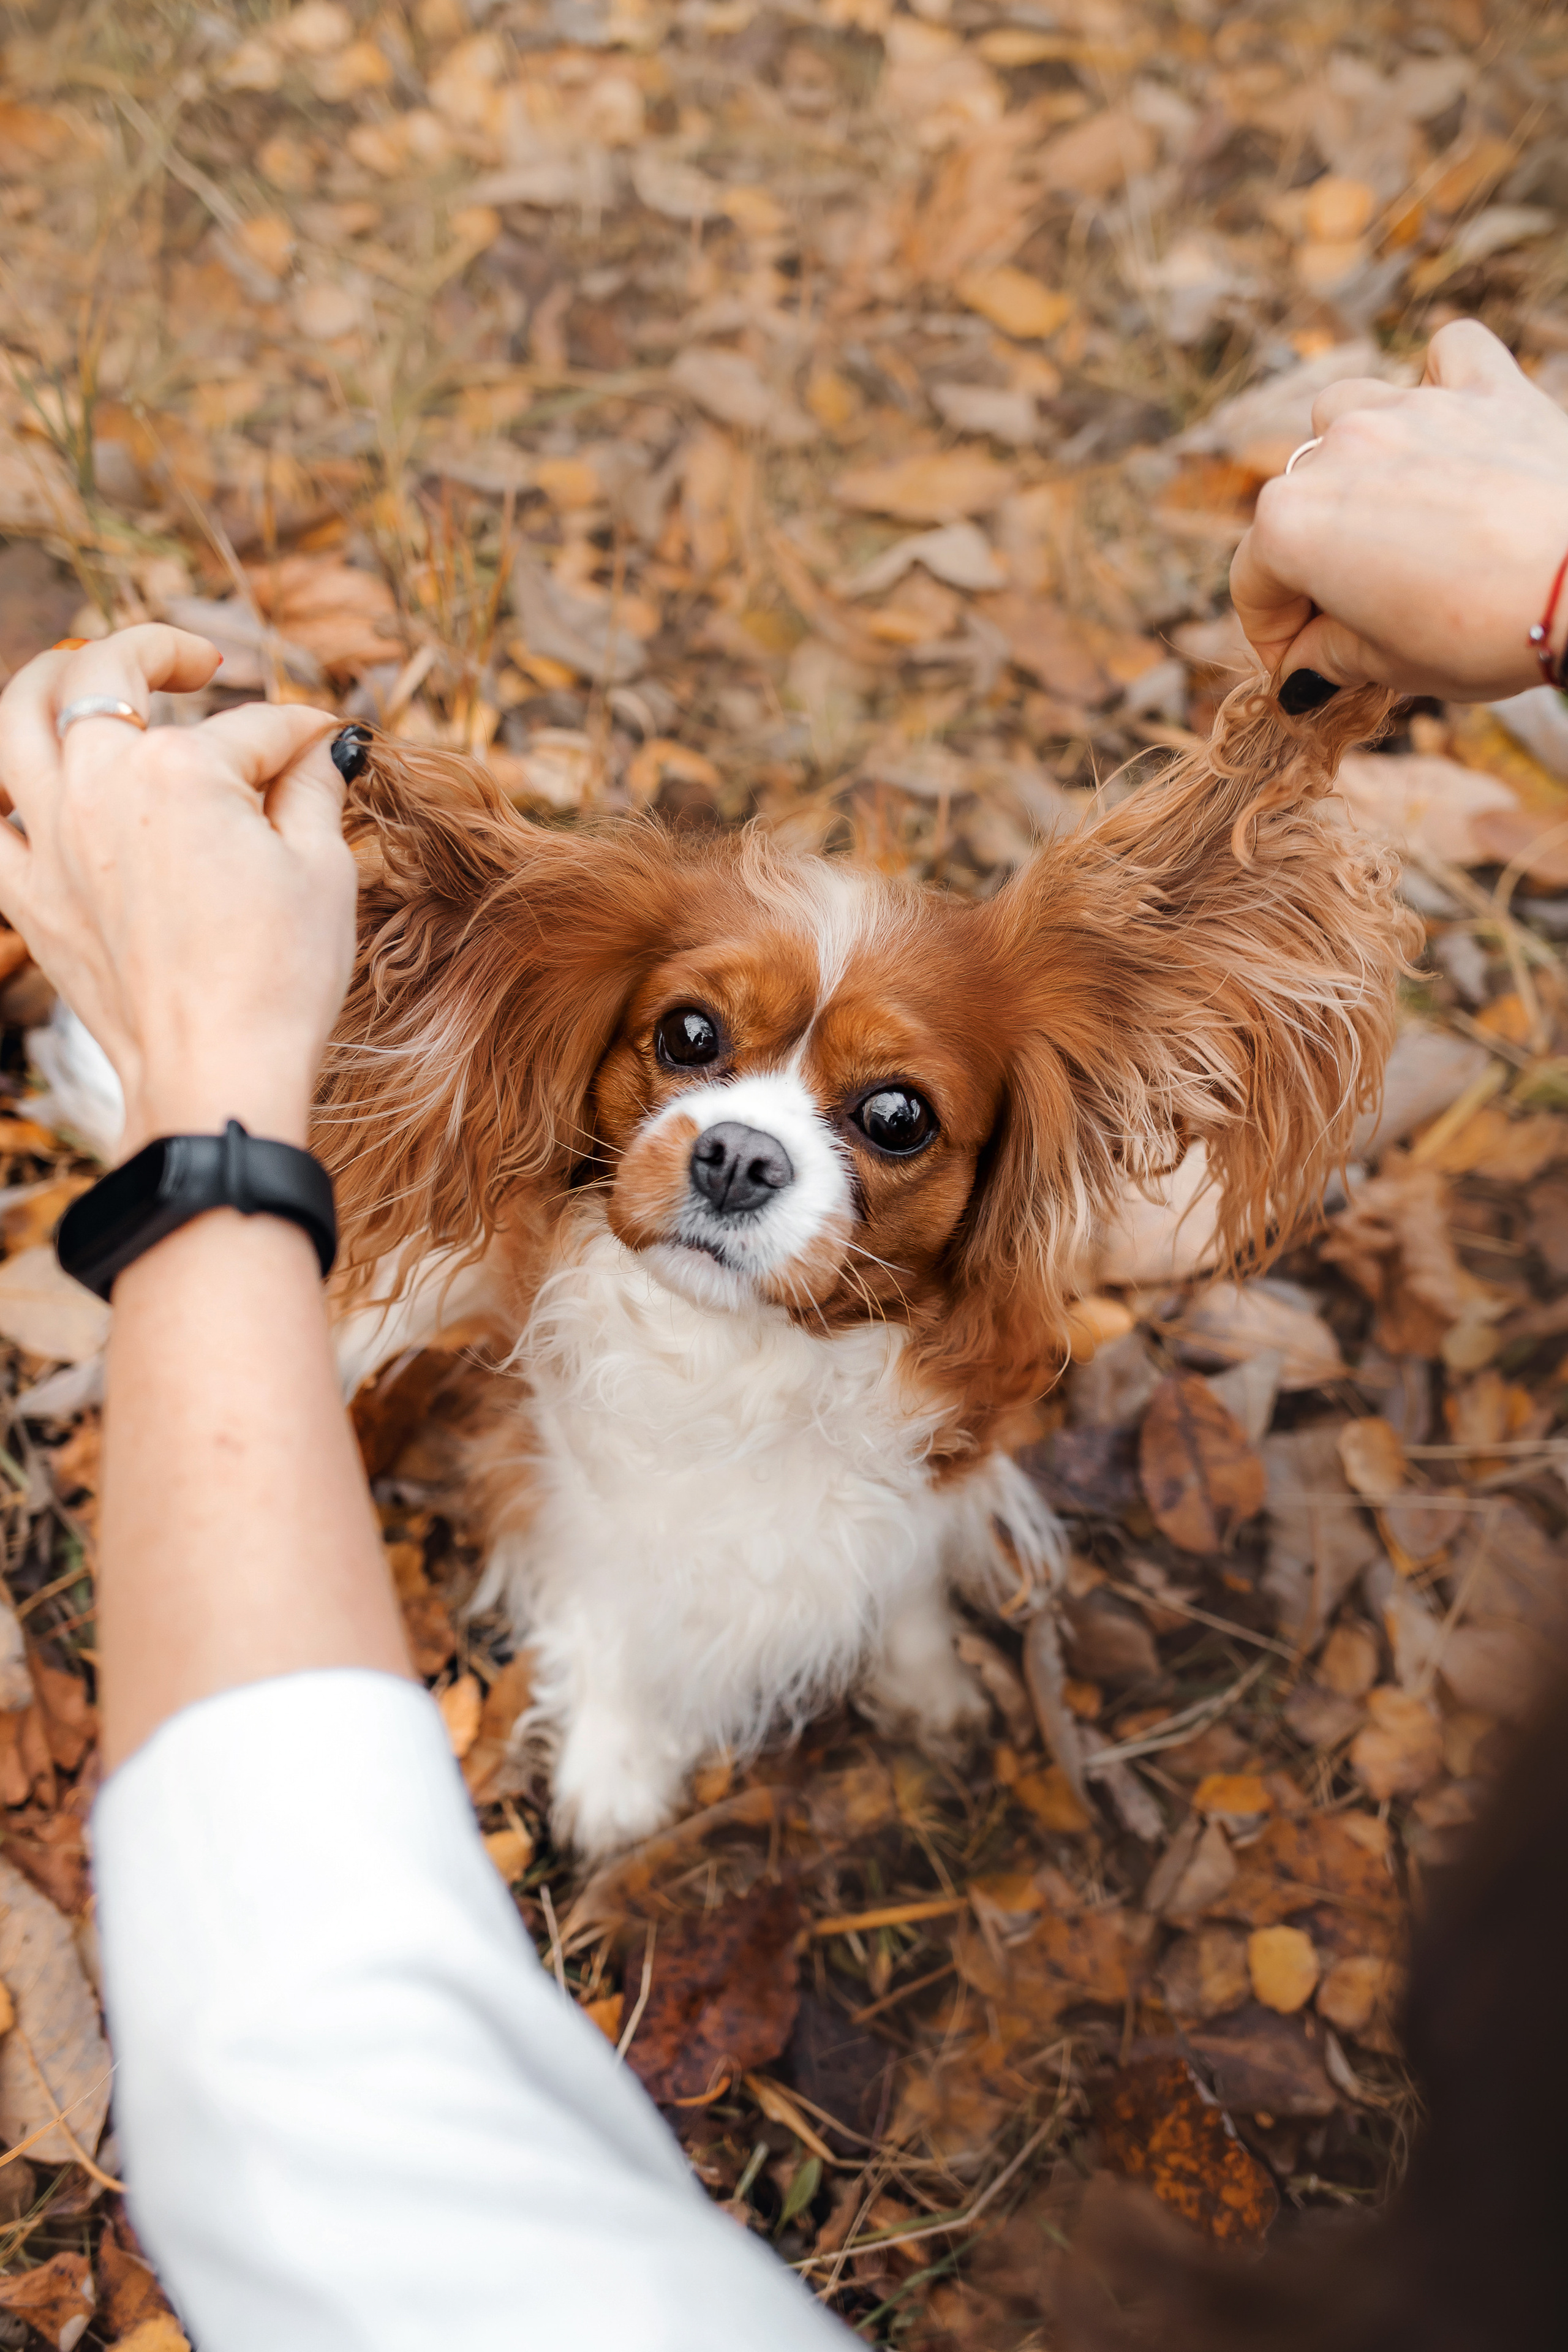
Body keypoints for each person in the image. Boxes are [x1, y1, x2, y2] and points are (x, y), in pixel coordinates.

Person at [0, 314, 1559, 2349]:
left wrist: (207, 1086)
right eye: (691, 1046)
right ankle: (624, 1712)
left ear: (994, 1175)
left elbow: (294, 2090)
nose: (746, 1141)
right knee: (610, 1577)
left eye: (888, 1119)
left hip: (887, 1424)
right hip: (602, 1443)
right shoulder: (574, 1221)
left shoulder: (983, 1282)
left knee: (903, 1547)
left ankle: (869, 1629)